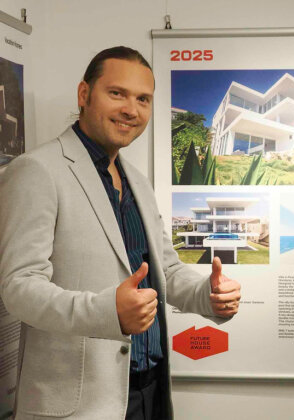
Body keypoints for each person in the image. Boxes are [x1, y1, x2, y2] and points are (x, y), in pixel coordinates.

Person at [0, 46, 241, 420]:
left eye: (143, 99)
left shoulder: (138, 182)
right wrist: (107, 311)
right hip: (79, 406)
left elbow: (166, 270)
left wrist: (208, 295)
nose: (132, 109)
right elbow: (19, 287)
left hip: (150, 391)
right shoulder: (37, 170)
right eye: (117, 93)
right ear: (84, 94)